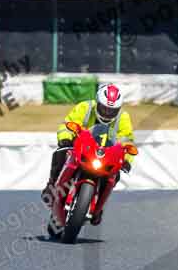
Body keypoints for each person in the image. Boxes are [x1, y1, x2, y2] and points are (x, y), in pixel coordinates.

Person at [41, 83, 135, 223]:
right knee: (60, 152)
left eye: (112, 110)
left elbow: (127, 141)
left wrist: (126, 159)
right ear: (97, 103)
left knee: (114, 175)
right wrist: (65, 139)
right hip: (81, 148)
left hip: (105, 154)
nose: (107, 113)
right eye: (104, 108)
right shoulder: (85, 107)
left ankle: (98, 207)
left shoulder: (123, 118)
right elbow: (67, 124)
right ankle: (51, 185)